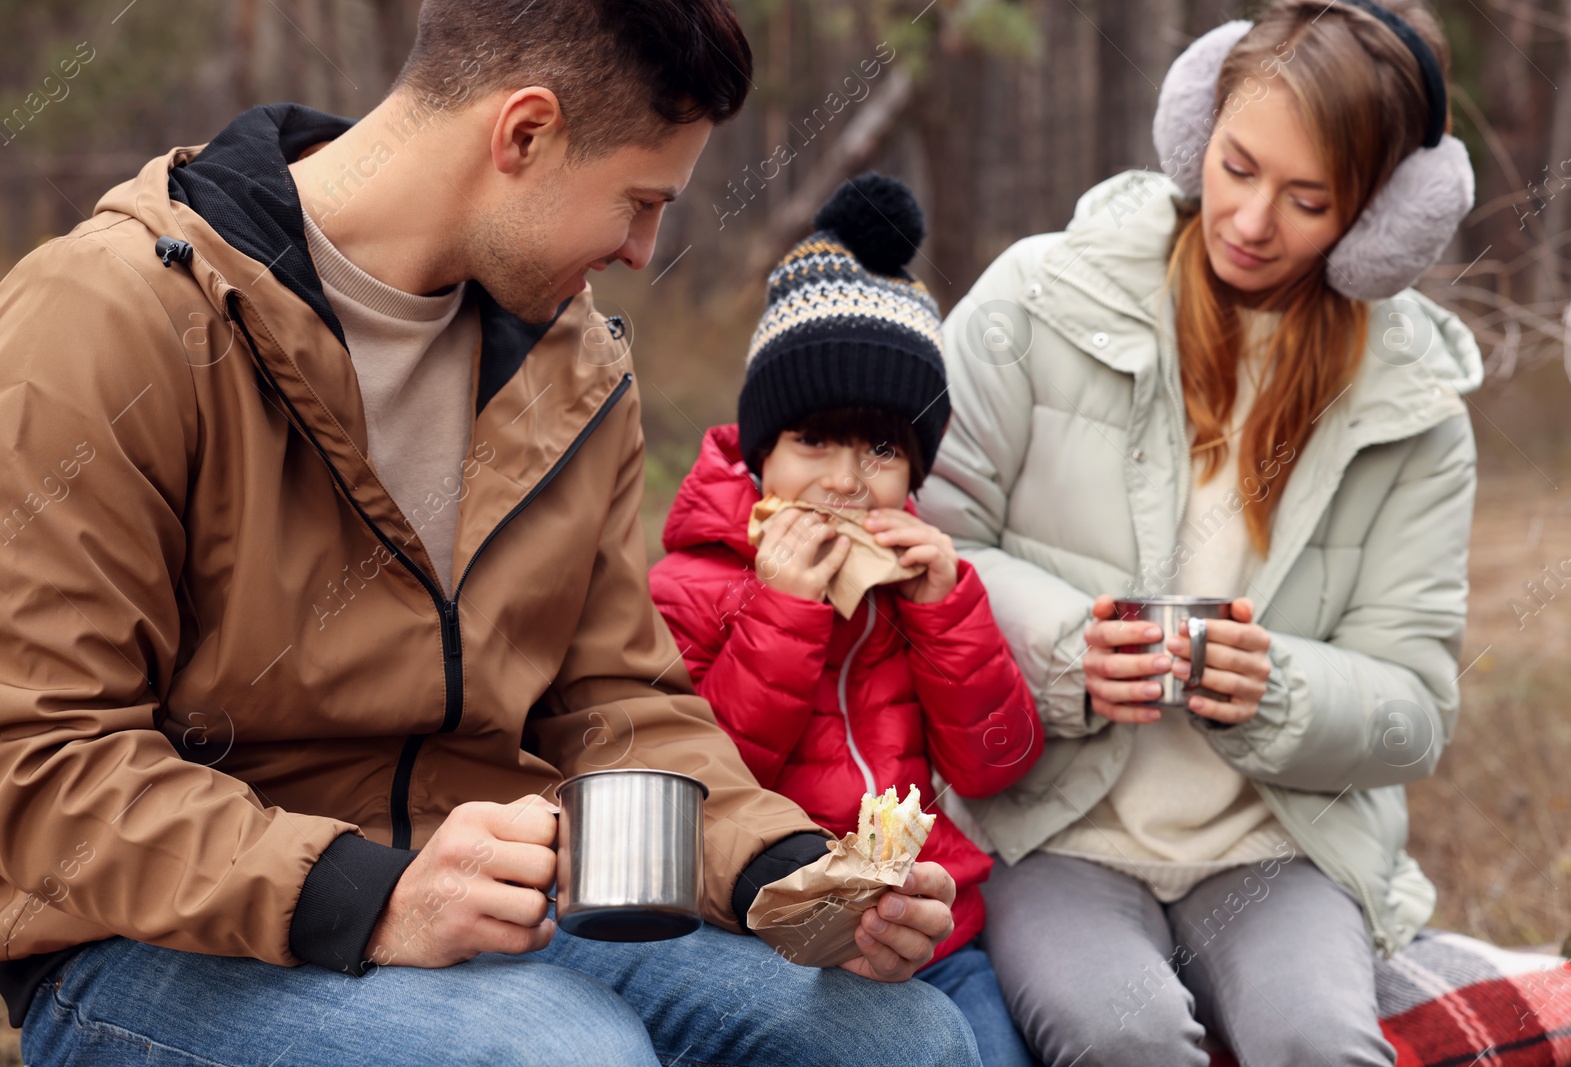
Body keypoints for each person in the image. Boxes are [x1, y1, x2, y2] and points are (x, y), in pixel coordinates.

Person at [0, 3, 981, 1065]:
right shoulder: (107, 316)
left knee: (900, 1037)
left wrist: (786, 871)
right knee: (562, 1051)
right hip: (146, 939)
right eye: (640, 202)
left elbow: (614, 702)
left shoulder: (573, 370)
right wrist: (369, 893)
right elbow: (39, 757)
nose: (646, 250)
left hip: (490, 899)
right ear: (524, 133)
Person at [916, 0, 1481, 1064]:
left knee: (1318, 1039)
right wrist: (1065, 651)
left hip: (1279, 846)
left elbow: (1414, 709)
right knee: (1115, 1029)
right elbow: (922, 546)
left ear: (1379, 219)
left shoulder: (1415, 410)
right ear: (1192, 133)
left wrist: (1279, 691)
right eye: (1234, 165)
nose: (1250, 220)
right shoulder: (1037, 300)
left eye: (1307, 199)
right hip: (1049, 829)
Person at [648, 174, 1044, 1067]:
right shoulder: (693, 584)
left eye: (881, 448)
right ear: (761, 454)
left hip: (932, 934)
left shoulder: (922, 587)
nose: (845, 479)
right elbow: (703, 789)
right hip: (774, 939)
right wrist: (783, 610)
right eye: (813, 442)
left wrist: (950, 610)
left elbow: (1000, 764)